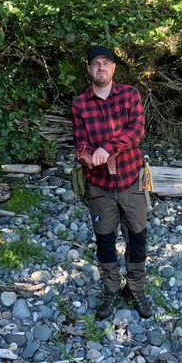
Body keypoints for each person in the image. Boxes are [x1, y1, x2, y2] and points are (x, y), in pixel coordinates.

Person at [71, 46, 153, 320]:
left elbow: (137, 130)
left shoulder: (129, 94)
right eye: (96, 64)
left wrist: (107, 147)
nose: (101, 68)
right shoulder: (80, 104)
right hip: (98, 187)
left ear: (114, 68)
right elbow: (80, 138)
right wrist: (84, 154)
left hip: (132, 179)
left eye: (106, 63)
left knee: (137, 238)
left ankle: (136, 288)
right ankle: (110, 290)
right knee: (105, 242)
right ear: (89, 70)